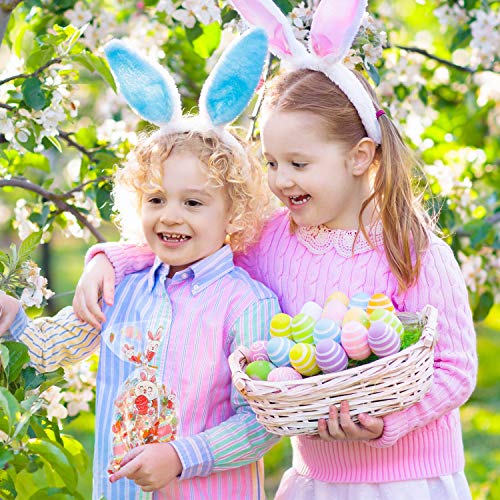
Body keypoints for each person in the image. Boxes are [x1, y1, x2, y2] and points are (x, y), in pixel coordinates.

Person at [73, 1, 477, 498]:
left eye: (298, 164)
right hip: (318, 476)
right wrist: (109, 259)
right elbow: (192, 241)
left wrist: (387, 421)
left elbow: (456, 368)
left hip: (410, 479)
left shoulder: (411, 248)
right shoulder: (270, 240)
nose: (280, 180)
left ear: (359, 156)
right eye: (270, 162)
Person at [0, 28, 283, 499]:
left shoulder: (247, 304)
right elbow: (52, 348)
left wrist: (180, 456)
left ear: (232, 211)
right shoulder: (124, 287)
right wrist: (13, 319)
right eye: (156, 198)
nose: (171, 215)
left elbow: (261, 422)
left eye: (193, 203)